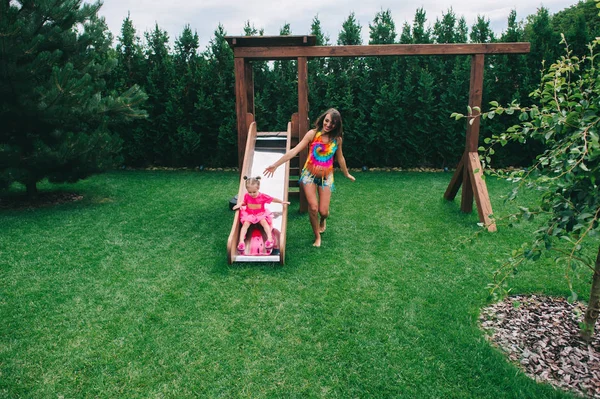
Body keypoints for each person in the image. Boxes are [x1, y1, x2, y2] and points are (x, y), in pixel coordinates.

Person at [263, 108, 355, 247]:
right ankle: (317, 236)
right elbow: (294, 150)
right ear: (323, 119)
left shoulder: (337, 140)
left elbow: (340, 158)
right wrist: (276, 165)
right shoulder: (312, 134)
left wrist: (346, 173)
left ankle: (323, 220)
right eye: (327, 120)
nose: (328, 125)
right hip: (309, 176)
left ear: (337, 125)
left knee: (323, 211)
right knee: (313, 207)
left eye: (333, 123)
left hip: (326, 177)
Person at [233, 176, 290, 253]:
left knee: (264, 223)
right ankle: (241, 242)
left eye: (254, 192)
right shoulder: (247, 196)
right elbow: (245, 202)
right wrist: (239, 204)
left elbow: (272, 199)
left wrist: (281, 201)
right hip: (249, 214)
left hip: (260, 214)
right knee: (245, 224)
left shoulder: (262, 196)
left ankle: (270, 239)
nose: (252, 194)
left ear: (258, 188)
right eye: (250, 192)